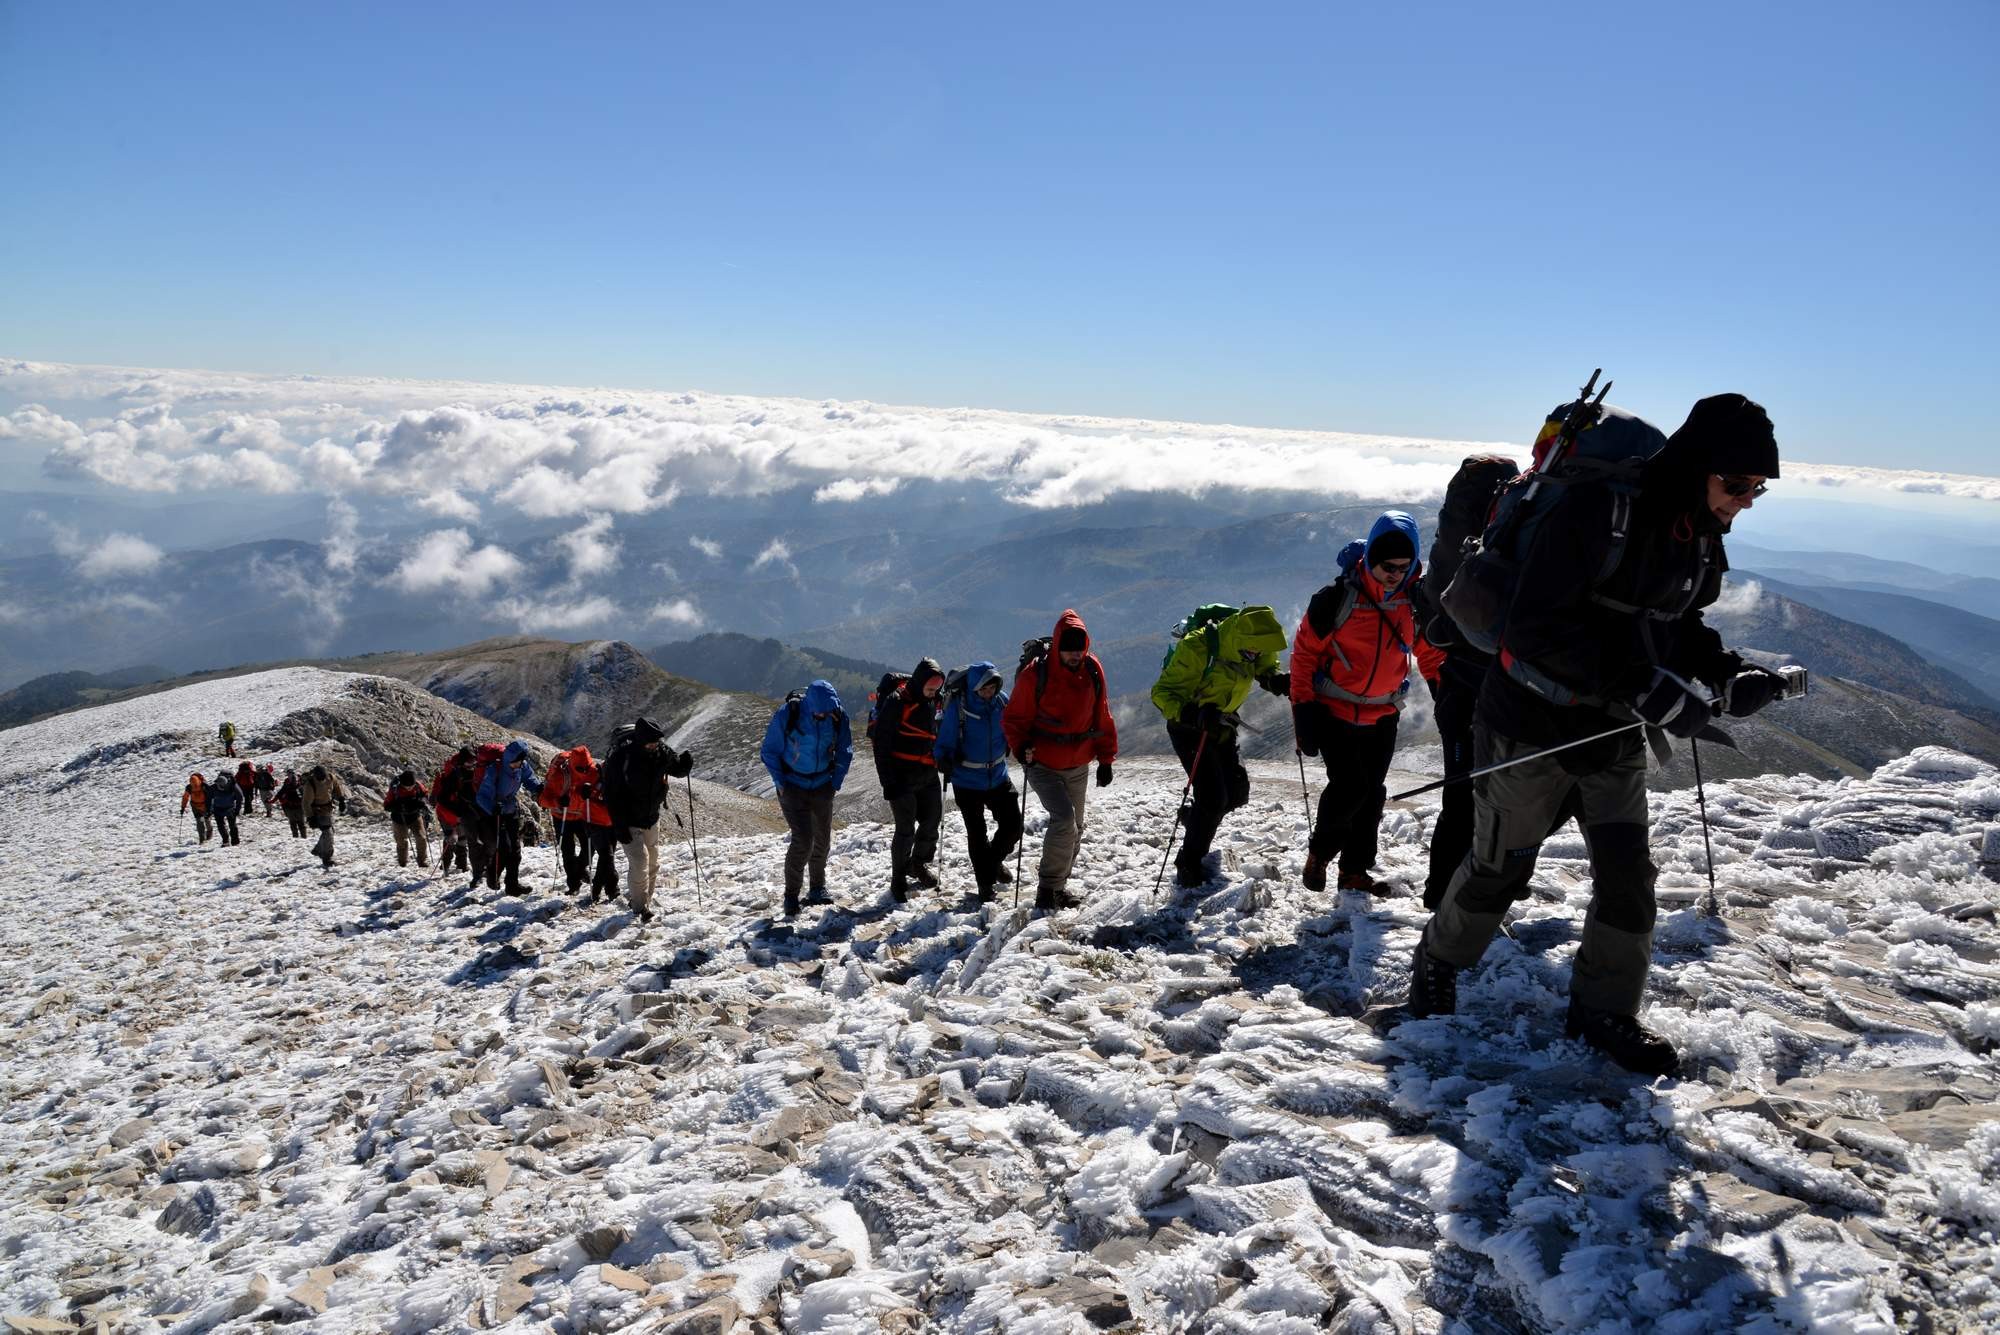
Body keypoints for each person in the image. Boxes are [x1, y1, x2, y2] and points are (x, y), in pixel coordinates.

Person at [1414, 393, 1790, 1076]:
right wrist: (1640, 684)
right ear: (1698, 467)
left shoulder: (1697, 531)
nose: (1747, 499)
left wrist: (1725, 670)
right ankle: (1437, 961)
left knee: (1628, 877)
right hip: (1529, 723)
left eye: (1757, 487)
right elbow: (1531, 627)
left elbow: (1677, 625)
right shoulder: (1599, 512)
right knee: (1501, 868)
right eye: (1737, 483)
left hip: (1612, 733)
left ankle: (1604, 1009)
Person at [1289, 511, 1445, 894]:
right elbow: (1305, 654)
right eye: (1386, 566)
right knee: (1351, 787)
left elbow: (1428, 651)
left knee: (1372, 793)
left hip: (1383, 712)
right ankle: (1320, 854)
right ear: (1370, 558)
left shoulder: (1414, 601)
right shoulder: (1336, 600)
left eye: (1402, 567)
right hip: (1334, 710)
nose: (1394, 574)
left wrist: (1444, 691)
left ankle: (1353, 871)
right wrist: (1303, 709)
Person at [1151, 607, 1290, 888]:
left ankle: (1195, 818)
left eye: (1261, 651)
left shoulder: (1256, 645)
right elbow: (1162, 694)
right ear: (1239, 639)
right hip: (1190, 729)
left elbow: (1264, 666)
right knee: (1213, 798)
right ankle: (1188, 863)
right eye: (1254, 650)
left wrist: (1274, 679)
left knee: (1237, 793)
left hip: (1223, 725)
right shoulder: (1198, 647)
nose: (1257, 654)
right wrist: (1195, 715)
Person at [1003, 610, 1118, 914]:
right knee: (1064, 821)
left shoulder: (1093, 670)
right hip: (1042, 763)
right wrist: (1021, 745)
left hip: (1079, 764)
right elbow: (1014, 718)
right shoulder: (1034, 674)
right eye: (1069, 650)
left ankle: (1059, 887)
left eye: (1079, 649)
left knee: (1076, 828)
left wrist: (1106, 759)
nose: (1075, 655)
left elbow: (1102, 715)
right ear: (1057, 647)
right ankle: (1046, 891)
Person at [760, 680, 853, 917]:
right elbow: (769, 750)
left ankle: (817, 889)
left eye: (827, 710)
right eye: (819, 710)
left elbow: (845, 749)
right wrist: (780, 783)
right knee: (803, 840)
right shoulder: (789, 713)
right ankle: (791, 895)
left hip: (823, 785)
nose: (823, 714)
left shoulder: (838, 716)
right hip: (793, 786)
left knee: (822, 839)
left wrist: (836, 782)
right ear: (810, 704)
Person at [935, 663, 1023, 905]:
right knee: (977, 834)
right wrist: (944, 759)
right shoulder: (959, 708)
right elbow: (943, 742)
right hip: (967, 781)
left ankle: (992, 864)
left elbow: (1014, 728)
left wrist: (1024, 745)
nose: (989, 692)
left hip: (998, 776)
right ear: (974, 688)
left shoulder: (1001, 702)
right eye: (984, 688)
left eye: (993, 687)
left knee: (1014, 826)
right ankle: (985, 885)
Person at [601, 718, 694, 920]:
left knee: (653, 863)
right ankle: (639, 907)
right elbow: (611, 795)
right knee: (639, 863)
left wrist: (685, 765)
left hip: (652, 818)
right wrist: (619, 827)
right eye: (650, 742)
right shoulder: (621, 758)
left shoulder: (661, 751)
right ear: (640, 739)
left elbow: (676, 769)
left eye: (657, 741)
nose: (654, 745)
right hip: (628, 821)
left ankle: (645, 901)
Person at [872, 659, 946, 903]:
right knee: (905, 830)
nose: (933, 694)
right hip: (901, 776)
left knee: (931, 821)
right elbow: (881, 743)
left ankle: (918, 864)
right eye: (930, 689)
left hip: (927, 773)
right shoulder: (897, 701)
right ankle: (898, 878)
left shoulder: (934, 700)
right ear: (920, 682)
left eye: (936, 690)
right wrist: (888, 782)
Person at [540, 744, 620, 903]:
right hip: (561, 815)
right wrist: (557, 801)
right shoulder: (559, 775)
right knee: (568, 850)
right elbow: (543, 799)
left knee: (589, 848)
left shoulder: (593, 770)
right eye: (581, 769)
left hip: (582, 816)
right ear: (572, 765)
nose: (585, 771)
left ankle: (580, 870)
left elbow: (598, 789)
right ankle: (573, 884)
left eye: (587, 768)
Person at [474, 740, 543, 896]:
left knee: (516, 851)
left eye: (520, 762)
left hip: (511, 810)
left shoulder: (521, 765)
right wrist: (493, 808)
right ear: (509, 760)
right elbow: (482, 796)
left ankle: (512, 886)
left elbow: (529, 778)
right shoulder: (494, 770)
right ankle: (492, 874)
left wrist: (538, 787)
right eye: (516, 763)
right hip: (494, 814)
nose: (518, 766)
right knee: (505, 849)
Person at [431, 746, 476, 873]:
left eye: (474, 762)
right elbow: (442, 799)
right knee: (451, 838)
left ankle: (461, 865)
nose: (472, 765)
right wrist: (458, 813)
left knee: (462, 838)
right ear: (462, 762)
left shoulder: (467, 773)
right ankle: (445, 865)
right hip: (446, 812)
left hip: (459, 811)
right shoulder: (452, 776)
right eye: (469, 763)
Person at [382, 769, 433, 868]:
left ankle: (422, 861)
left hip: (415, 816)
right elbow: (386, 805)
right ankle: (402, 862)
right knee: (401, 841)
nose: (409, 788)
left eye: (411, 786)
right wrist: (398, 807)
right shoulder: (395, 788)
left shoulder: (418, 786)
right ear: (402, 783)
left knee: (421, 837)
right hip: (399, 819)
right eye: (407, 786)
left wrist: (422, 803)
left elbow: (425, 795)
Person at [301, 764, 347, 868]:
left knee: (330, 832)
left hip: (327, 809)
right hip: (316, 811)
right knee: (327, 833)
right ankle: (327, 858)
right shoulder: (310, 784)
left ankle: (318, 849)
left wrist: (341, 799)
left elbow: (336, 786)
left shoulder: (330, 777)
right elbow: (306, 803)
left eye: (323, 777)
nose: (322, 779)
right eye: (320, 778)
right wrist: (310, 817)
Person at [207, 769, 243, 847]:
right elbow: (208, 799)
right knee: (221, 826)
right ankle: (225, 840)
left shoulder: (233, 786)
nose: (219, 787)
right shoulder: (213, 787)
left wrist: (237, 810)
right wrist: (208, 810)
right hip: (217, 809)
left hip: (230, 808)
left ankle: (235, 841)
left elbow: (240, 798)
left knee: (232, 825)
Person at [180, 772, 213, 844]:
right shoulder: (189, 787)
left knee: (207, 820)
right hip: (195, 807)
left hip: (205, 806)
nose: (194, 786)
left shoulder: (204, 786)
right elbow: (185, 797)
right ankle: (202, 839)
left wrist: (210, 809)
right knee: (199, 822)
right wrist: (183, 807)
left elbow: (210, 797)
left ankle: (209, 831)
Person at [277, 770, 306, 838]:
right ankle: (303, 838)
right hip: (297, 807)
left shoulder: (288, 784)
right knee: (300, 824)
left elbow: (279, 794)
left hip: (291, 807)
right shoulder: (299, 784)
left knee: (295, 824)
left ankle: (297, 837)